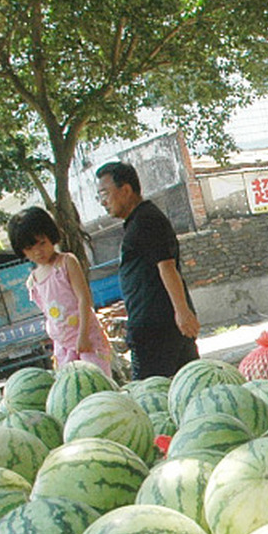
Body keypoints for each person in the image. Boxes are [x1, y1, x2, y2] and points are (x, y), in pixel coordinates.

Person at [95, 160, 199, 379]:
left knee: (152, 393)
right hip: (157, 326)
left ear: (125, 190)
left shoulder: (147, 221)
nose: (103, 202)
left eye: (105, 194)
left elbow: (167, 267)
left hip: (159, 329)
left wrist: (181, 312)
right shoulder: (138, 221)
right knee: (185, 382)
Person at [7, 205, 113, 376]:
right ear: (22, 251)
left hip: (88, 338)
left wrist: (83, 335)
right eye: (30, 248)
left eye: (42, 243)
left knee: (98, 383)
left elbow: (84, 299)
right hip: (62, 347)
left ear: (52, 238)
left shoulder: (66, 263)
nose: (38, 252)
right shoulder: (33, 281)